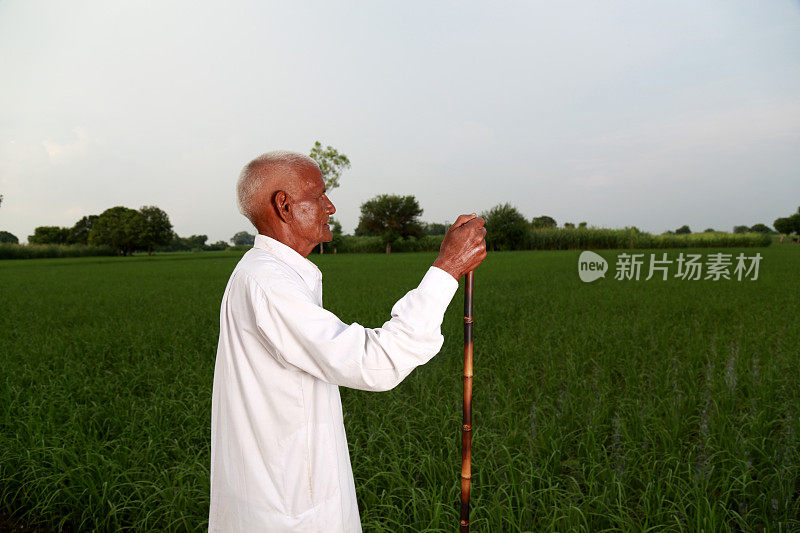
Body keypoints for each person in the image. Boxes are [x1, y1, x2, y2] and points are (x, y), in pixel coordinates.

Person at [209, 151, 487, 532]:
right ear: (284, 206)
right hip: (284, 512)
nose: (331, 206)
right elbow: (375, 362)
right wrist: (447, 269)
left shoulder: (273, 275)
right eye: (319, 196)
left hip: (293, 493)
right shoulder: (267, 282)